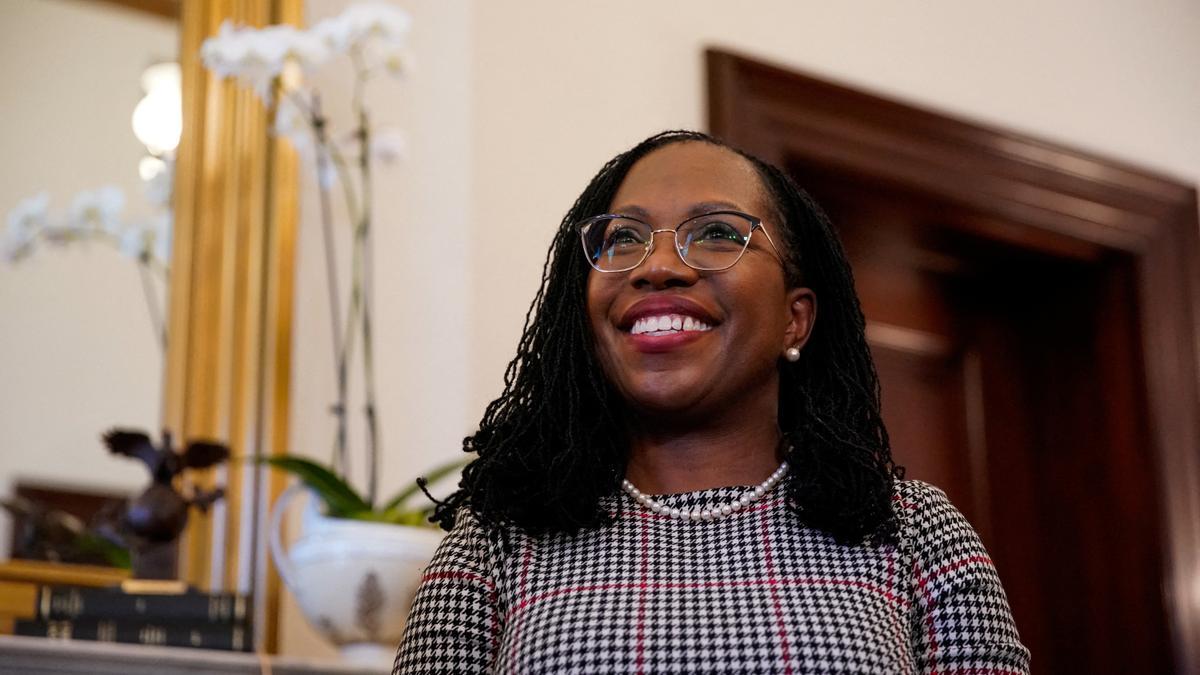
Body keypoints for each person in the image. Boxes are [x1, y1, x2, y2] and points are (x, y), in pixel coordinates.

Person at [393, 130, 1030, 674]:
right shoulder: (496, 542)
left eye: (718, 233)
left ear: (794, 320)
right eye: (622, 239)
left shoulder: (915, 533)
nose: (658, 266)